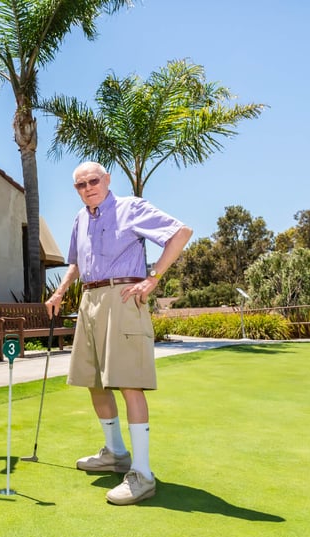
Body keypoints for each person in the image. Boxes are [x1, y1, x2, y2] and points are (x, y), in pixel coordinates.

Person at [45, 161, 192, 505]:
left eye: (93, 181)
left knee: (128, 383)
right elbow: (77, 263)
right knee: (94, 382)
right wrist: (60, 291)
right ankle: (115, 453)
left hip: (124, 297)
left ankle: (142, 474)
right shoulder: (80, 218)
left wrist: (154, 276)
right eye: (80, 185)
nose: (87, 188)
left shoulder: (131, 207)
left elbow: (180, 232)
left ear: (107, 180)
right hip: (90, 300)